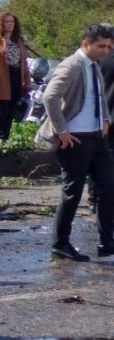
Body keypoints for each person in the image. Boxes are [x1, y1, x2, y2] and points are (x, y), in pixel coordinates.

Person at [34, 23, 114, 262]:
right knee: (72, 193)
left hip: (96, 137)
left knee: (108, 188)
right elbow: (50, 96)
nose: (106, 51)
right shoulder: (72, 65)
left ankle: (106, 242)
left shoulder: (94, 66)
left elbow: (100, 95)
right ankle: (60, 243)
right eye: (101, 46)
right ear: (85, 44)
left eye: (109, 46)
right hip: (75, 141)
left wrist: (106, 119)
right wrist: (62, 131)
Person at [0, 12, 29, 142]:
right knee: (0, 110)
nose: (10, 24)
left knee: (11, 110)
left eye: (12, 22)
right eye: (7, 22)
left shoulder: (19, 41)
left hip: (16, 76)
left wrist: (27, 78)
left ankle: (5, 139)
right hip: (1, 77)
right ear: (1, 23)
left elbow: (24, 61)